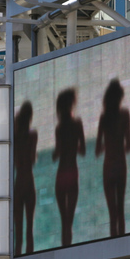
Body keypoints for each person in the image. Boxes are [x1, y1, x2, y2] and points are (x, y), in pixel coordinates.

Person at [95, 78, 130, 239]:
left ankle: (113, 241)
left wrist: (106, 145)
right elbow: (128, 144)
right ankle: (122, 243)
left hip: (108, 166)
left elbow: (97, 148)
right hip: (120, 164)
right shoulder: (125, 114)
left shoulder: (104, 117)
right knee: (121, 209)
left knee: (112, 214)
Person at [52, 88, 86, 248]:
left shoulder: (59, 127)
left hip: (61, 175)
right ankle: (68, 249)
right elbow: (83, 150)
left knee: (63, 220)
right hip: (72, 173)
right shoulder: (77, 124)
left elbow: (56, 154)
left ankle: (63, 249)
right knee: (69, 222)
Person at [13, 101, 38, 256]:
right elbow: (33, 158)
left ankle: (19, 256)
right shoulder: (32, 134)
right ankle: (29, 257)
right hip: (29, 182)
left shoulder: (15, 137)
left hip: (18, 184)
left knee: (18, 231)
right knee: (29, 228)